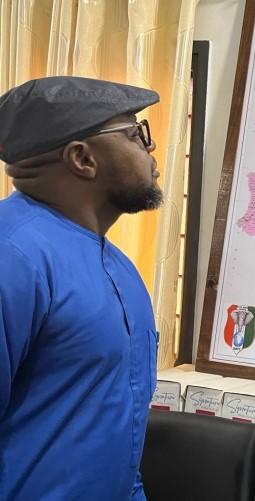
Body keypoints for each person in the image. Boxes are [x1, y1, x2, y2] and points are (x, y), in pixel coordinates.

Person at [0, 76, 162, 500]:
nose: (150, 149)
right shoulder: (12, 256)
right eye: (135, 134)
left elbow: (120, 438)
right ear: (83, 158)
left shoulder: (119, 267)